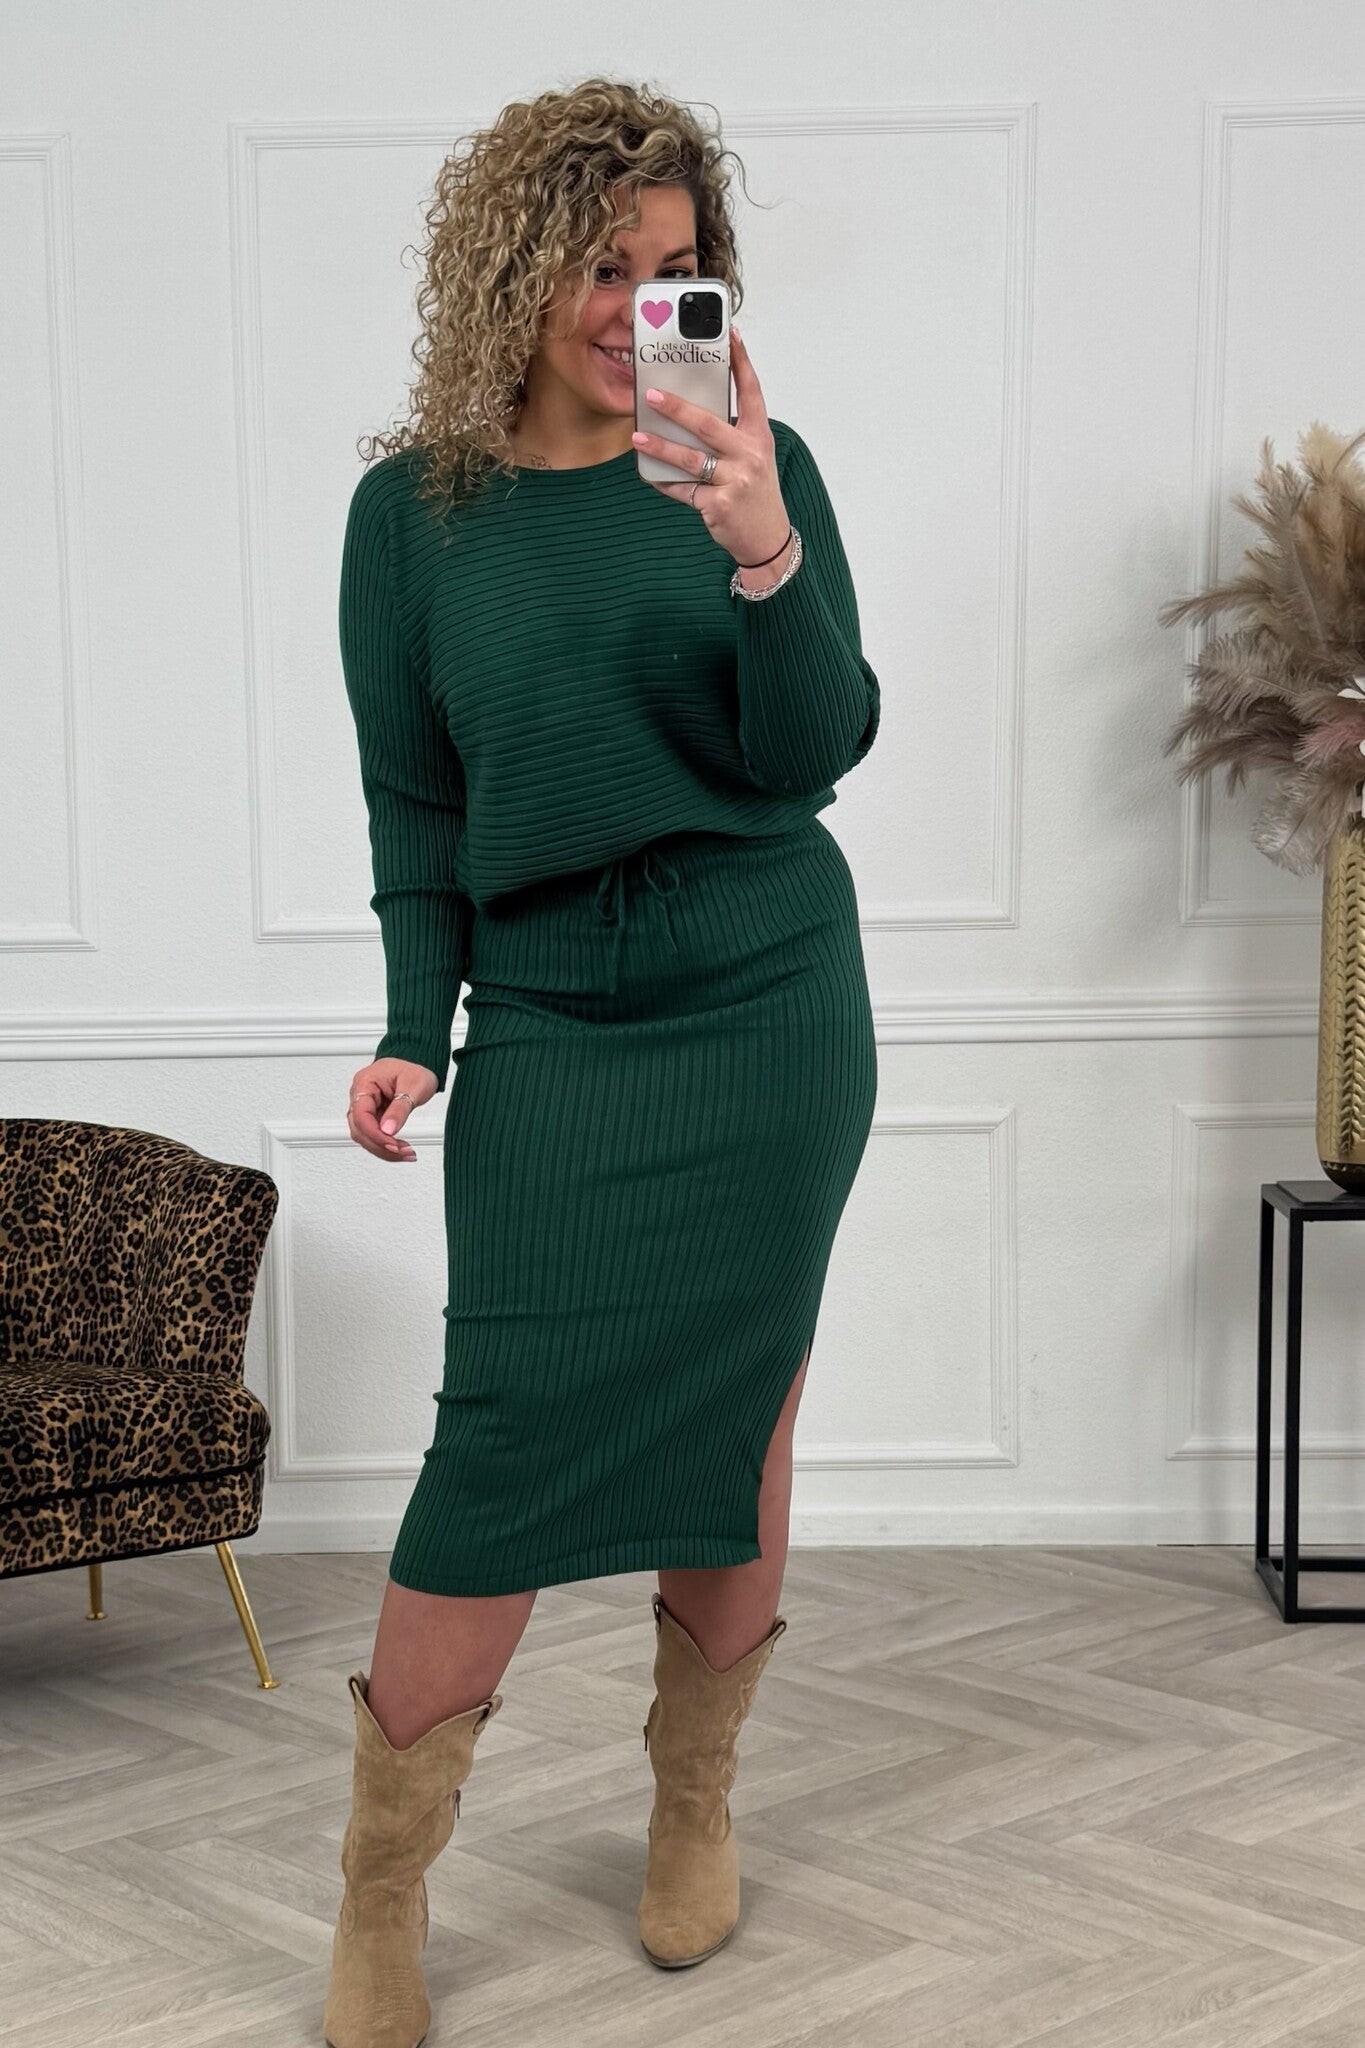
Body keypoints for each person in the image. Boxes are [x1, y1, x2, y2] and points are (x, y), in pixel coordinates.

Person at [323, 74, 880, 2048]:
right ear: (511, 267)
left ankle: (691, 1804)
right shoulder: (413, 521)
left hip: (765, 993)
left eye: (671, 268)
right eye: (596, 263)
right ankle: (380, 1890)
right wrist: (416, 1022)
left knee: (739, 1429)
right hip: (554, 1015)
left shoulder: (751, 462)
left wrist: (760, 546)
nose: (634, 306)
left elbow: (811, 748)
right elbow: (414, 801)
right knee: (500, 1438)